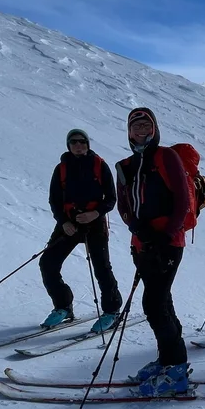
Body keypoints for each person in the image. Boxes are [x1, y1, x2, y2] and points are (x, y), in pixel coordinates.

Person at [115, 108, 192, 396]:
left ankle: (177, 368)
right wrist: (137, 228)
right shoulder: (126, 165)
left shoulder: (166, 156)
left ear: (155, 128)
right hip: (141, 244)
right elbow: (123, 205)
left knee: (154, 304)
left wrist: (165, 235)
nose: (141, 129)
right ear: (129, 132)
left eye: (146, 124)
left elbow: (182, 200)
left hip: (168, 243)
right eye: (135, 125)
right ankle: (168, 361)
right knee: (162, 301)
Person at [39, 128, 123, 332]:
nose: (78, 145)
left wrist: (95, 213)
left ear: (87, 144)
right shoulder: (61, 168)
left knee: (101, 268)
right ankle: (63, 306)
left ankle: (112, 310)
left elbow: (111, 198)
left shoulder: (100, 165)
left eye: (82, 141)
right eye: (74, 142)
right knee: (48, 263)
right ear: (68, 145)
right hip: (69, 224)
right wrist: (63, 222)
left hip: (95, 223)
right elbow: (55, 200)